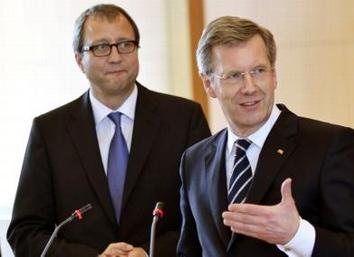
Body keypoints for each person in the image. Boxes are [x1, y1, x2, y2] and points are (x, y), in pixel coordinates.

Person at [7, 4, 210, 257]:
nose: (116, 57)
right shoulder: (50, 131)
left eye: (125, 44)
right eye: (101, 47)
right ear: (79, 60)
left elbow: (207, 217)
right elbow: (25, 232)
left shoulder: (184, 119)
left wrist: (150, 253)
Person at [177, 16, 354, 257]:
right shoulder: (194, 159)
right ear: (209, 84)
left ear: (274, 75)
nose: (250, 87)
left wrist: (297, 235)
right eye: (234, 75)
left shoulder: (331, 145)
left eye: (259, 71)